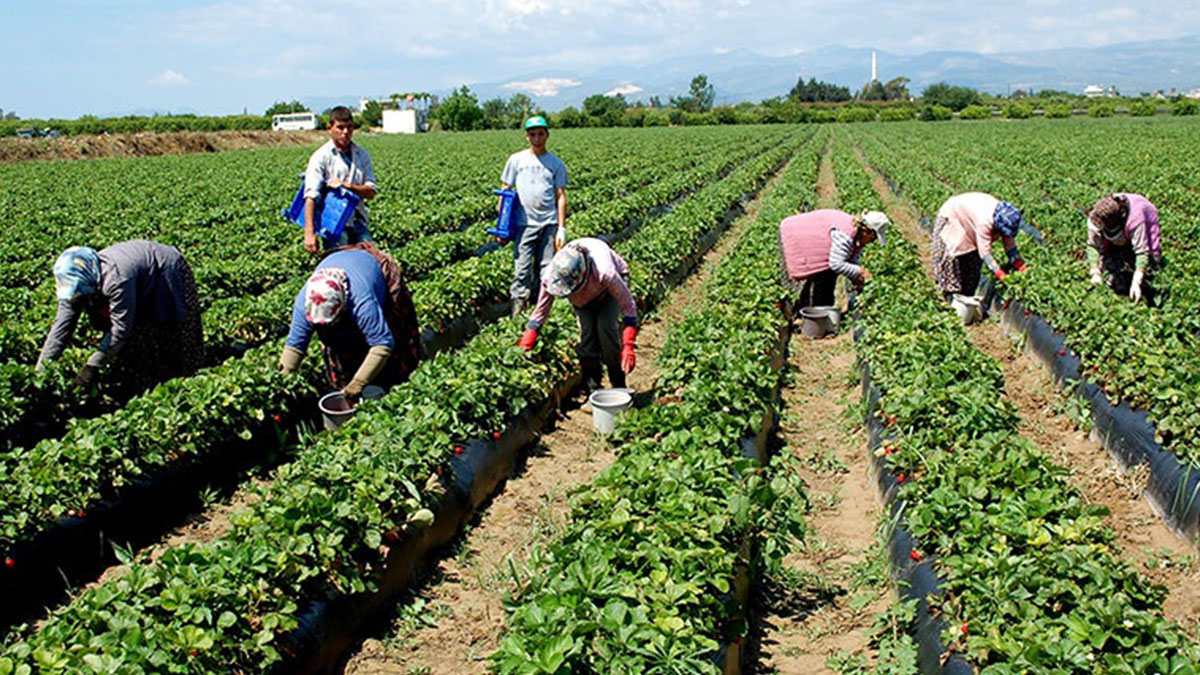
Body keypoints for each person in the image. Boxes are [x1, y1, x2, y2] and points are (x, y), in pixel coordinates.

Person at [36, 240, 204, 394]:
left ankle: (188, 381)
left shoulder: (116, 279)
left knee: (176, 330)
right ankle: (148, 385)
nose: (80, 298)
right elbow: (60, 331)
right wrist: (40, 373)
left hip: (167, 271)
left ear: (90, 279)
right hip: (140, 281)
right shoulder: (74, 289)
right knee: (140, 340)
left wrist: (91, 366)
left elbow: (120, 329)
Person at [280, 243, 420, 399]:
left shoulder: (362, 301)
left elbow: (382, 343)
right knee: (339, 348)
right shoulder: (305, 303)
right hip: (340, 264)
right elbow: (295, 345)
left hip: (368, 269)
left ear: (343, 305)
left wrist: (358, 383)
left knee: (396, 337)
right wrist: (283, 381)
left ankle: (396, 383)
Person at [517, 238, 637, 392]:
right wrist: (530, 335)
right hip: (582, 299)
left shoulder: (605, 271)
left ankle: (619, 385)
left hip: (608, 292)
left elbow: (629, 306)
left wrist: (628, 345)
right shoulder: (551, 275)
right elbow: (542, 309)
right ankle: (593, 389)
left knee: (606, 328)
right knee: (587, 335)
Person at [500, 115, 568, 318]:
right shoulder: (516, 160)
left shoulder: (555, 164)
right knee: (521, 269)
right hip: (524, 224)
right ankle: (517, 311)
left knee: (546, 269)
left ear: (547, 135)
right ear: (526, 137)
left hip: (548, 224)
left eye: (541, 134)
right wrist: (503, 225)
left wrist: (561, 228)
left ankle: (540, 311)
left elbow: (561, 196)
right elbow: (506, 190)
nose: (537, 138)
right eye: (533, 134)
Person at [778, 209, 890, 309]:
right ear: (866, 230)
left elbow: (851, 260)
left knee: (826, 277)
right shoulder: (845, 235)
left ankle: (817, 313)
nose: (873, 241)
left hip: (807, 236)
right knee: (826, 276)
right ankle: (813, 316)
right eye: (874, 237)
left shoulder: (857, 234)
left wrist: (857, 278)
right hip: (796, 235)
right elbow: (836, 264)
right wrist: (860, 271)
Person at [303, 106, 378, 254]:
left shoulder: (361, 155)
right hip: (334, 225)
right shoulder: (321, 157)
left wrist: (346, 186)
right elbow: (310, 196)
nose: (345, 132)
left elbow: (371, 192)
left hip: (358, 221)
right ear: (329, 128)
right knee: (339, 266)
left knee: (371, 259)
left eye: (349, 127)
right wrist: (309, 233)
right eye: (340, 127)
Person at [931, 192, 1029, 300]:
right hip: (954, 216)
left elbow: (1010, 247)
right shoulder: (985, 221)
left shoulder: (1006, 219)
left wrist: (1020, 265)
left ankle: (967, 296)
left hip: (970, 221)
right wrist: (1000, 274)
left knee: (971, 264)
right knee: (951, 255)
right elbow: (985, 254)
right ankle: (950, 299)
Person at [1086, 193, 1162, 304]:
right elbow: (1093, 245)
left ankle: (1146, 278)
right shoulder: (1099, 214)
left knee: (1152, 257)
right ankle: (1117, 271)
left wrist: (1137, 282)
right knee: (1111, 253)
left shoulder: (1136, 220)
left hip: (1146, 213)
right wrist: (1095, 271)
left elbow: (1142, 252)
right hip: (1119, 221)